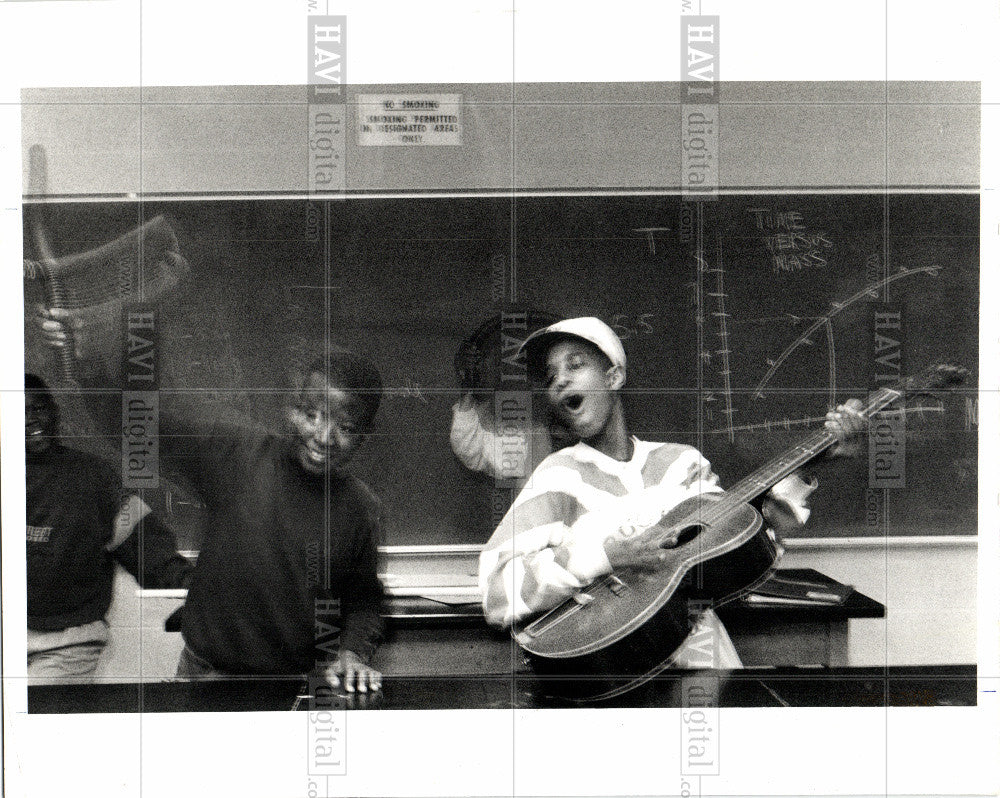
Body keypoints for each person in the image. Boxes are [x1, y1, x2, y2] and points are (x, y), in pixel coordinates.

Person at [478, 317, 863, 668]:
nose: (559, 380)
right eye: (550, 377)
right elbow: (497, 594)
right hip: (611, 667)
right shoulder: (557, 477)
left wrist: (809, 466)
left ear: (613, 378)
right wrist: (602, 556)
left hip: (701, 656)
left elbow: (751, 544)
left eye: (575, 365)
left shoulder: (681, 464)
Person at [39, 309, 386, 693]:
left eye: (346, 427)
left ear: (365, 437)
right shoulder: (237, 455)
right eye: (313, 415)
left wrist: (353, 654)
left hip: (294, 684)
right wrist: (85, 361)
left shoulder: (360, 509)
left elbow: (364, 601)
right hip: (203, 673)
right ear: (292, 409)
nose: (324, 436)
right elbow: (134, 429)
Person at [25, 373, 193, 681]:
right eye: (18, 410)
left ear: (55, 412)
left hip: (67, 644)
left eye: (38, 408)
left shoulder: (93, 478)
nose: (30, 420)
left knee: (28, 715)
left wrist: (198, 589)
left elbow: (146, 546)